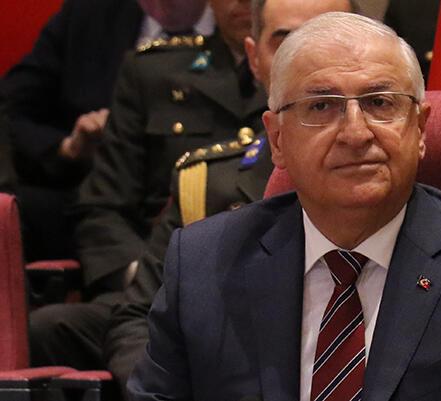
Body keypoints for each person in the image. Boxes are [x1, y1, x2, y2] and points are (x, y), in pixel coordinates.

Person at [129, 12, 441, 401]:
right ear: (277, 139)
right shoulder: (203, 264)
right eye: (322, 106)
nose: (356, 133)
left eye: (380, 103)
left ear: (419, 129)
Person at [102, 0, 356, 393]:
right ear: (255, 59)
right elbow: (138, 319)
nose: (310, 61)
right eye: (287, 42)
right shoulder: (207, 182)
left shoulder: (396, 177)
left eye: (329, 37)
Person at [28, 0, 260, 386]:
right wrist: (145, 274)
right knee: (49, 328)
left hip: (261, 282)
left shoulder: (311, 87)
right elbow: (102, 205)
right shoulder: (153, 71)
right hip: (156, 278)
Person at [0, 0, 213, 261]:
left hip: (199, 207)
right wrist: (66, 148)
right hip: (93, 202)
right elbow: (11, 114)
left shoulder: (241, 21)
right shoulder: (91, 14)